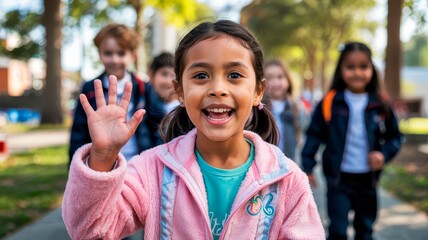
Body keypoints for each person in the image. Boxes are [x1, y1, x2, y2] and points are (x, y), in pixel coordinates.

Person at [62, 20, 325, 239]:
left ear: (258, 91)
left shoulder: (288, 180)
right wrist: (102, 157)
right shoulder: (151, 170)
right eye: (201, 75)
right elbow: (89, 230)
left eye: (234, 75)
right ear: (180, 92)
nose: (217, 88)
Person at [301, 42, 402, 240]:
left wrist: (383, 154)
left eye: (363, 66)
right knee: (337, 230)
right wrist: (308, 166)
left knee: (364, 229)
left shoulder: (380, 102)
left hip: (368, 180)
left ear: (372, 68)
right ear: (341, 69)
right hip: (338, 179)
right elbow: (314, 134)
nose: (357, 72)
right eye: (350, 67)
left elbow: (395, 137)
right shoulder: (330, 101)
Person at [68, 23, 165, 165]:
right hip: (102, 166)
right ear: (99, 53)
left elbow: (159, 127)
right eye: (108, 53)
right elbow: (78, 134)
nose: (114, 59)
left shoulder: (143, 87)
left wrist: (157, 162)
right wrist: (76, 168)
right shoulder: (89, 89)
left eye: (121, 53)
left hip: (140, 165)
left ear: (132, 55)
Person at [264, 59, 305, 160]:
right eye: (270, 78)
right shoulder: (260, 107)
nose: (276, 82)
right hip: (266, 163)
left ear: (288, 80)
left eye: (280, 77)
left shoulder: (295, 107)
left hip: (289, 162)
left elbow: (303, 127)